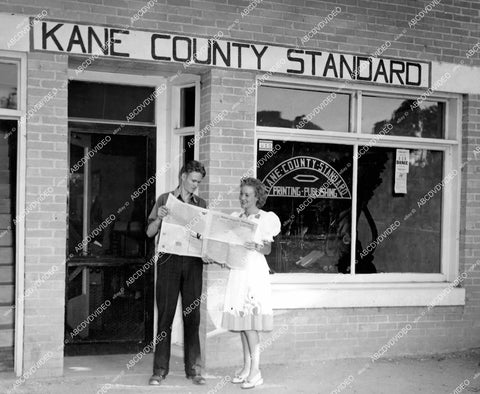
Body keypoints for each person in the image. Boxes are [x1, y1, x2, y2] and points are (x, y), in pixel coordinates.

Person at [146, 160, 207, 386]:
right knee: (165, 316)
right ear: (182, 177)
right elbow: (149, 232)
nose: (195, 186)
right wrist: (161, 217)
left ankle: (194, 370)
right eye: (193, 180)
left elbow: (205, 235)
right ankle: (159, 370)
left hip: (193, 263)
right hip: (168, 262)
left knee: (193, 317)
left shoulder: (202, 204)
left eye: (198, 182)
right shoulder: (164, 199)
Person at [221, 177, 281, 389]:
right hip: (238, 272)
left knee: (250, 323)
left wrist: (256, 244)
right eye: (241, 194)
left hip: (253, 273)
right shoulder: (236, 217)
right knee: (242, 323)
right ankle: (247, 366)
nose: (243, 198)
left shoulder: (264, 218)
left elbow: (268, 249)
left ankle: (256, 371)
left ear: (257, 196)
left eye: (247, 195)